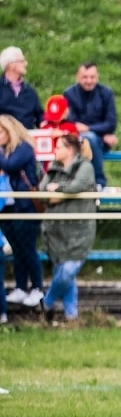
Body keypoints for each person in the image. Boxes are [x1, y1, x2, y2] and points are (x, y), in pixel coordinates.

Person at [39, 131, 96, 322]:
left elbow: (76, 187)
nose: (55, 150)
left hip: (79, 231)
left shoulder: (85, 167)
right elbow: (42, 191)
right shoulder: (53, 168)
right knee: (64, 275)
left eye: (58, 146)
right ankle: (72, 317)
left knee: (67, 272)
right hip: (55, 230)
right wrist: (56, 193)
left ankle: (46, 303)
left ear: (69, 149)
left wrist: (58, 191)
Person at [0, 114, 44, 310]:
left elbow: (10, 165)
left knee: (28, 248)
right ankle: (20, 287)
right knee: (17, 250)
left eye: (1, 132)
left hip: (25, 206)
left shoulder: (24, 147)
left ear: (11, 131)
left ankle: (37, 287)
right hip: (8, 207)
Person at [62, 61, 118, 189]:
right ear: (78, 77)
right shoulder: (69, 94)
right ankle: (97, 181)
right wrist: (101, 133)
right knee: (89, 138)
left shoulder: (106, 93)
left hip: (100, 142)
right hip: (77, 141)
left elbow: (111, 123)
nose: (89, 81)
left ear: (97, 77)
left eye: (92, 77)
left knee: (91, 137)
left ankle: (98, 182)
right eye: (85, 77)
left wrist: (90, 129)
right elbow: (72, 123)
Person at [0, 47, 42, 130]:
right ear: (11, 65)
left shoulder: (30, 91)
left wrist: (46, 124)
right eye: (22, 61)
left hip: (27, 138)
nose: (26, 64)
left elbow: (39, 115)